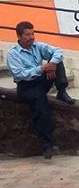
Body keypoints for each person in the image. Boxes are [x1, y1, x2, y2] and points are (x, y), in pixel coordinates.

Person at [6, 21, 75, 159]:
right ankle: (47, 146)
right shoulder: (12, 54)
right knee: (41, 107)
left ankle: (62, 91)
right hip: (27, 86)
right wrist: (42, 69)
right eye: (27, 35)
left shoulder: (37, 46)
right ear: (19, 36)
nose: (31, 37)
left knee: (57, 61)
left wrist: (51, 64)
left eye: (32, 33)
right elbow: (20, 74)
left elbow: (57, 51)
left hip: (40, 80)